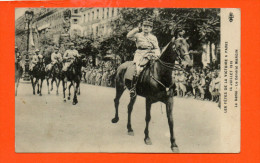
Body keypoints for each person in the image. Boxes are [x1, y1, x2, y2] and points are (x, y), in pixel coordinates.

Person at [126, 19, 160, 98]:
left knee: (157, 68)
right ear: (142, 27)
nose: (146, 28)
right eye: (144, 26)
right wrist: (137, 29)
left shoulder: (153, 37)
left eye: (148, 27)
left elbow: (157, 48)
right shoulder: (138, 35)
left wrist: (157, 55)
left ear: (151, 29)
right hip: (140, 54)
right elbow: (128, 36)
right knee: (138, 69)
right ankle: (133, 88)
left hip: (151, 54)